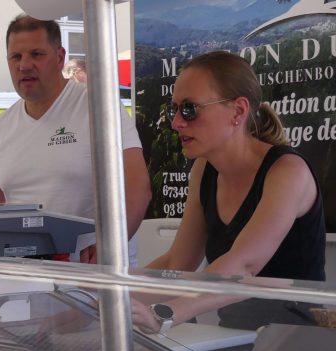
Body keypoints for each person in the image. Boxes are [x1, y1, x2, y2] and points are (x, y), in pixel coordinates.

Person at [130, 51, 325, 333]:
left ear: (238, 111)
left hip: (294, 348)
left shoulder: (287, 171)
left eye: (190, 109)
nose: (176, 123)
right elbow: (177, 263)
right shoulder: (204, 170)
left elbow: (245, 267)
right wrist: (106, 296)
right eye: (173, 109)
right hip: (234, 338)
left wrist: (164, 314)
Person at [0, 15, 151, 264]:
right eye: (16, 57)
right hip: (24, 282)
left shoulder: (99, 107)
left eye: (36, 54)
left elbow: (137, 186)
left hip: (95, 279)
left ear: (59, 58)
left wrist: (111, 243)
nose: (24, 65)